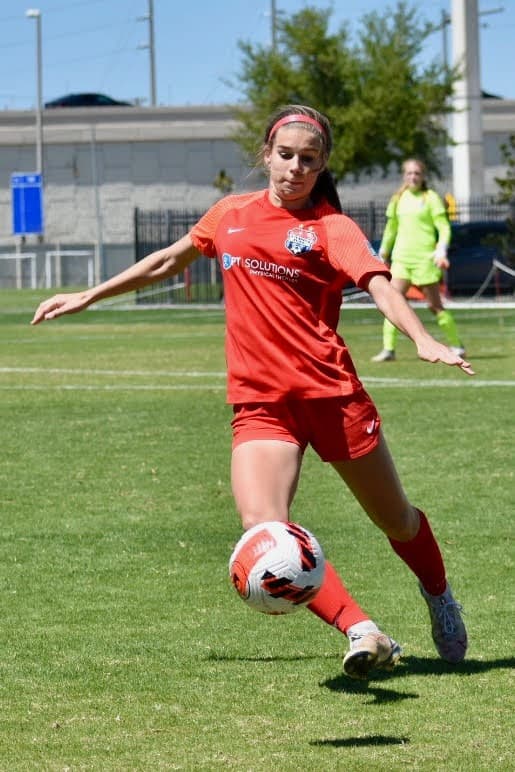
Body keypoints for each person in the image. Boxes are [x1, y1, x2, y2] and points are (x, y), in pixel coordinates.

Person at [32, 105, 473, 680]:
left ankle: (438, 592)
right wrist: (89, 295)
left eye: (308, 160)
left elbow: (378, 283)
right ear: (266, 154)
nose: (294, 168)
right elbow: (168, 260)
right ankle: (362, 630)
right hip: (262, 404)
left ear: (322, 166)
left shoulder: (329, 228)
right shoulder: (230, 214)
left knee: (397, 523)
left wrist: (421, 338)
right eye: (285, 155)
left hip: (333, 398)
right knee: (265, 532)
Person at [372, 158, 466, 362]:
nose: (413, 177)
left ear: (423, 176)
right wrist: (383, 253)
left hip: (425, 259)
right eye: (409, 173)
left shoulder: (430, 197)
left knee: (435, 306)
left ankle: (457, 345)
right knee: (392, 301)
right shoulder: (398, 198)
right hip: (402, 259)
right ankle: (389, 349)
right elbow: (391, 229)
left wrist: (441, 250)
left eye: (417, 173)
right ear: (404, 176)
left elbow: (443, 227)